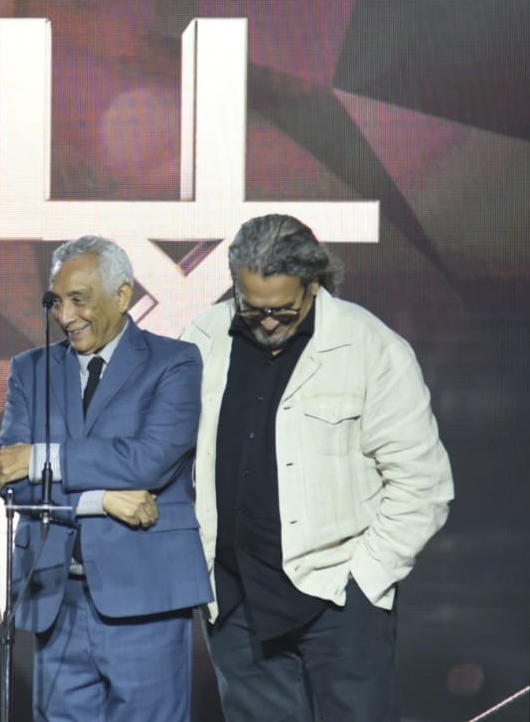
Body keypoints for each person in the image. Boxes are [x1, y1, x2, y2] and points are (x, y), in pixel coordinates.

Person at [181, 214, 454, 722]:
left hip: (338, 599)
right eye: (251, 308)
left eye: (281, 312)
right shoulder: (204, 337)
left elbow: (423, 485)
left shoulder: (371, 347)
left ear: (313, 285)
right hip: (236, 598)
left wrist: (366, 581)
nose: (264, 321)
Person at [0, 235, 213, 722]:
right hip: (55, 597)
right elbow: (12, 477)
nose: (65, 317)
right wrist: (101, 500)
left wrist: (42, 458)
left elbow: (148, 461)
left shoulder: (174, 362)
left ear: (123, 295)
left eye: (79, 300)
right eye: (57, 301)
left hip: (146, 596)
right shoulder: (30, 370)